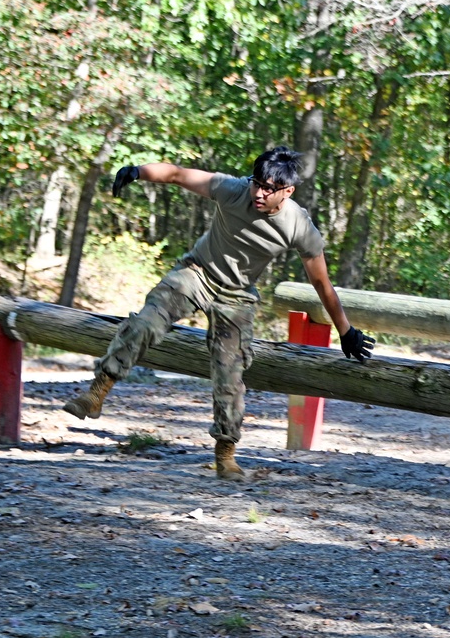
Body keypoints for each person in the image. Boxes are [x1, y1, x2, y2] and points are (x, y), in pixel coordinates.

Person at [63, 147, 375, 481]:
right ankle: (96, 394)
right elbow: (179, 174)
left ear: (287, 191)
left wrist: (345, 331)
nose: (258, 192)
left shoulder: (299, 226)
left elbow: (321, 282)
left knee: (230, 373)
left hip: (237, 296)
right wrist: (137, 171)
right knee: (145, 324)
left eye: (268, 188)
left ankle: (225, 454)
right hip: (196, 273)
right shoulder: (233, 189)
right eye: (256, 182)